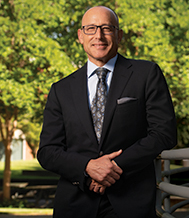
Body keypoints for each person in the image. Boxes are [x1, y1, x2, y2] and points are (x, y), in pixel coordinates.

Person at [37, 6, 177, 218]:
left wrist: (112, 169)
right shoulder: (61, 89)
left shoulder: (146, 74)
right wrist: (87, 168)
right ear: (80, 36)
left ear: (119, 35)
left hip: (130, 202)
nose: (99, 36)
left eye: (106, 28)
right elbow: (47, 151)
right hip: (75, 204)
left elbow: (164, 133)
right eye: (91, 29)